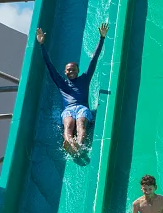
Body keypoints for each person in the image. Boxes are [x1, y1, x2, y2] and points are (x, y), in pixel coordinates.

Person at [36, 21, 109, 154]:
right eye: (68, 70)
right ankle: (69, 144)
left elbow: (94, 59)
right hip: (68, 110)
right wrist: (41, 44)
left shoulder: (85, 78)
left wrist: (102, 38)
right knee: (69, 124)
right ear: (65, 72)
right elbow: (49, 65)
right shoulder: (61, 83)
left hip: (82, 108)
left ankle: (79, 145)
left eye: (73, 69)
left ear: (78, 70)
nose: (71, 71)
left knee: (81, 123)